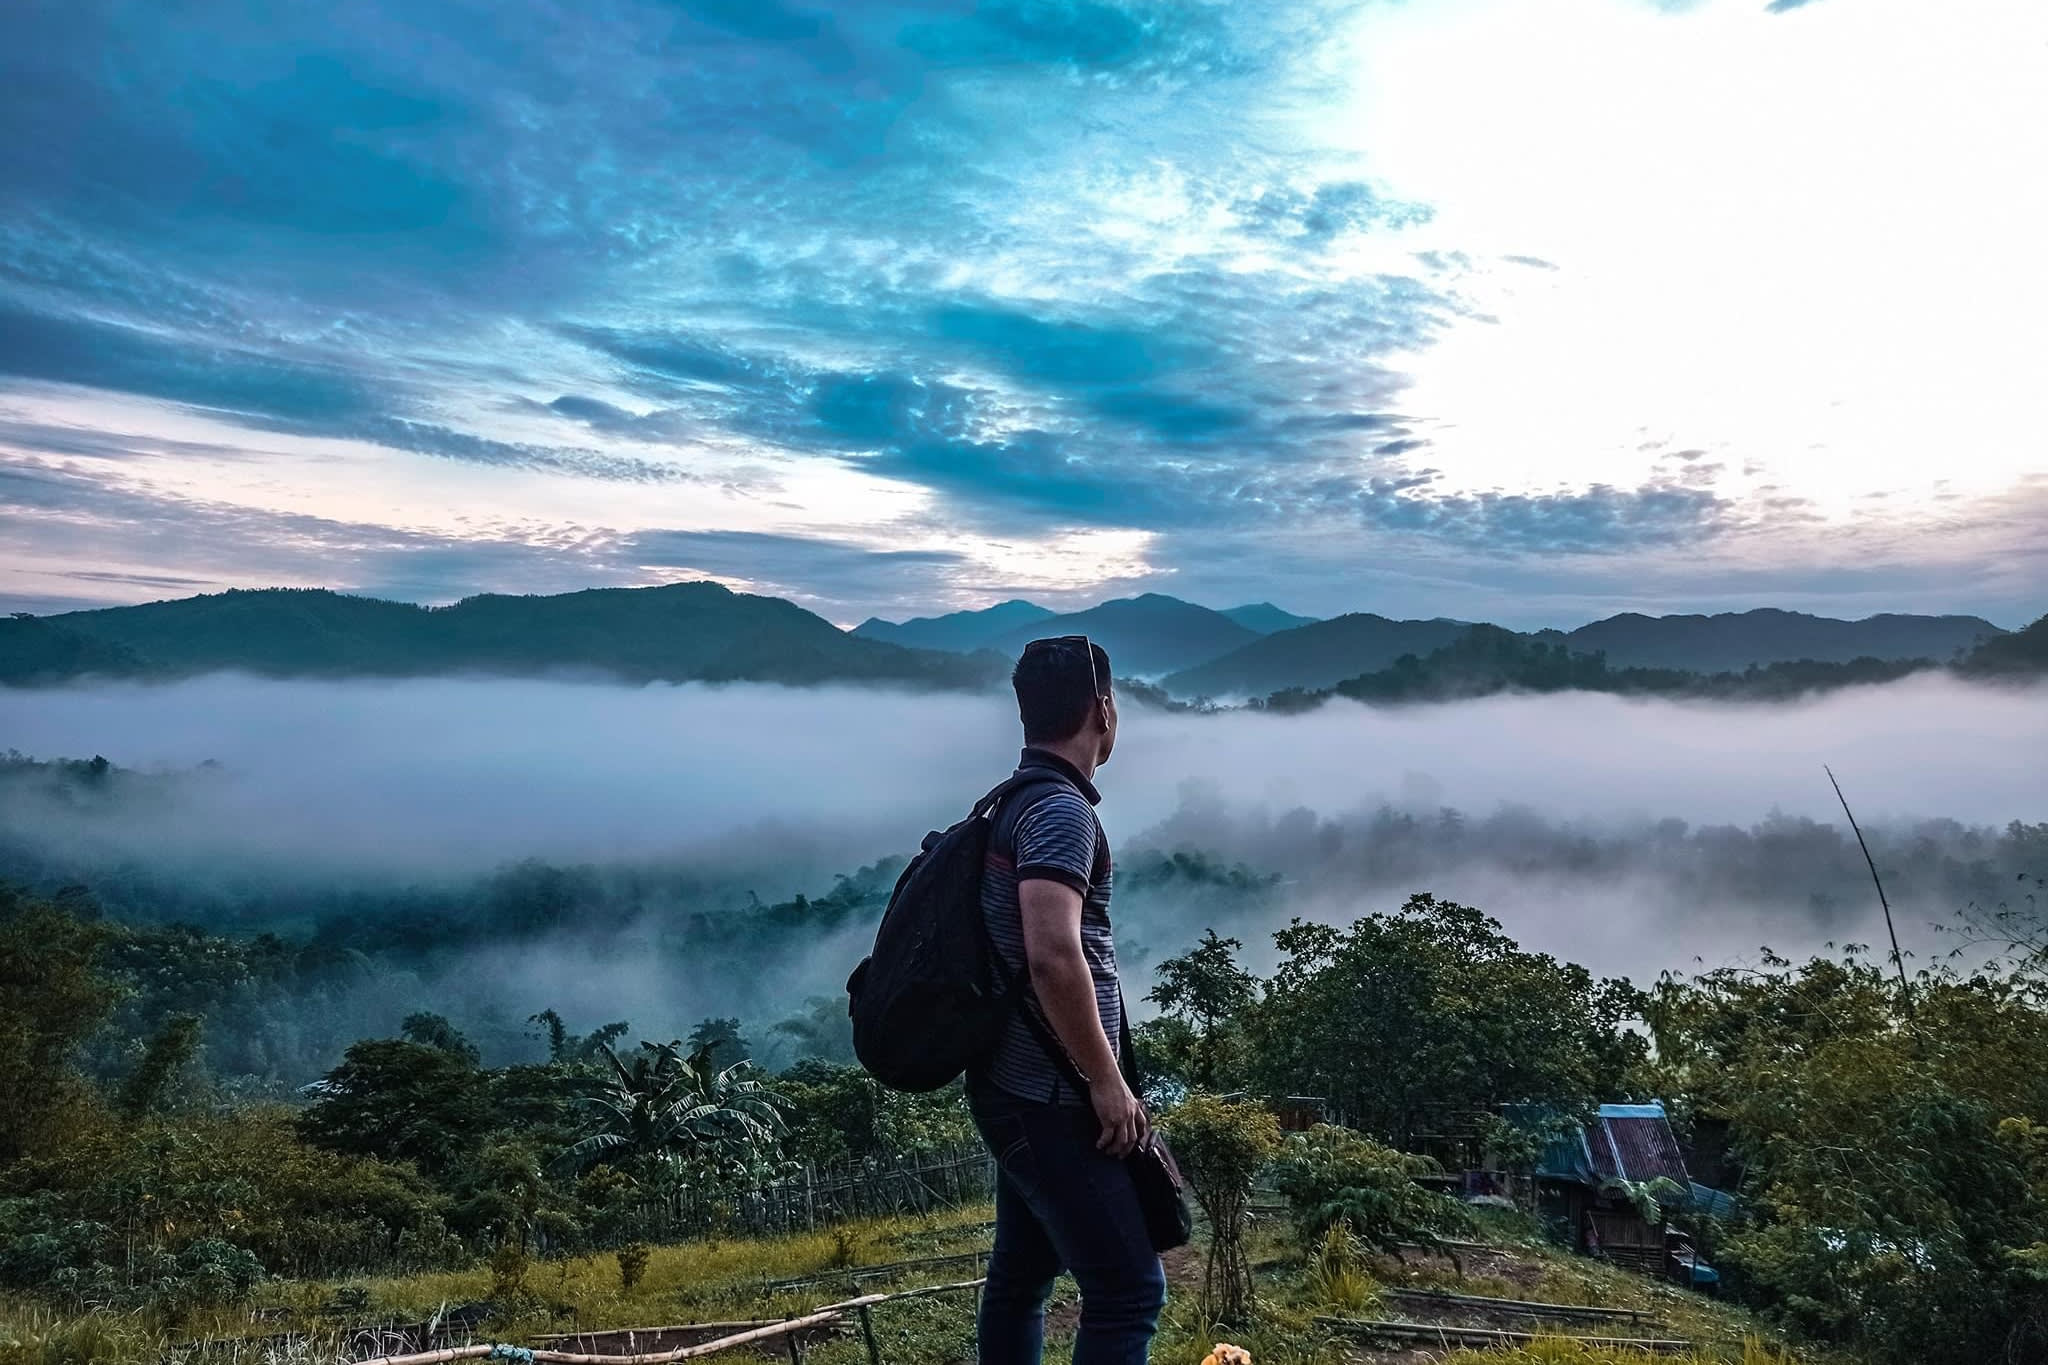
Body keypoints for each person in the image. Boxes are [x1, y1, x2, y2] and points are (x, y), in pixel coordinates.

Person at [967, 634, 1163, 1365]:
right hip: (1051, 1094)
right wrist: (1105, 1081)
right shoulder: (1059, 812)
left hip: (1012, 1081)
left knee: (1021, 1276)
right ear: (1102, 711)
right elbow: (1053, 954)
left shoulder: (1014, 801)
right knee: (1128, 1291)